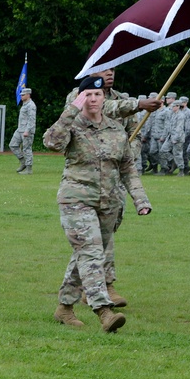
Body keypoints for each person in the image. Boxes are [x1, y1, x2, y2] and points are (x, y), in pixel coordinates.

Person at [44, 75, 151, 333]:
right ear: (81, 98)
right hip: (76, 199)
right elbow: (51, 142)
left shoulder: (115, 130)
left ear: (105, 99)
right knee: (91, 252)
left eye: (98, 95)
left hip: (107, 203)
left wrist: (140, 199)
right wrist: (71, 110)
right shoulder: (73, 125)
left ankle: (64, 308)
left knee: (87, 254)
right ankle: (104, 311)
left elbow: (127, 168)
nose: (93, 99)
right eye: (88, 95)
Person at [11, 87, 36, 174]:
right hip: (20, 129)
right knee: (13, 145)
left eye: (23, 95)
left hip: (26, 130)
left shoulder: (31, 105)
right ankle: (23, 162)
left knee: (27, 149)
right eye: (21, 95)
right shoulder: (25, 104)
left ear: (28, 95)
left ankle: (29, 169)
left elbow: (31, 120)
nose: (21, 96)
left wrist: (27, 131)